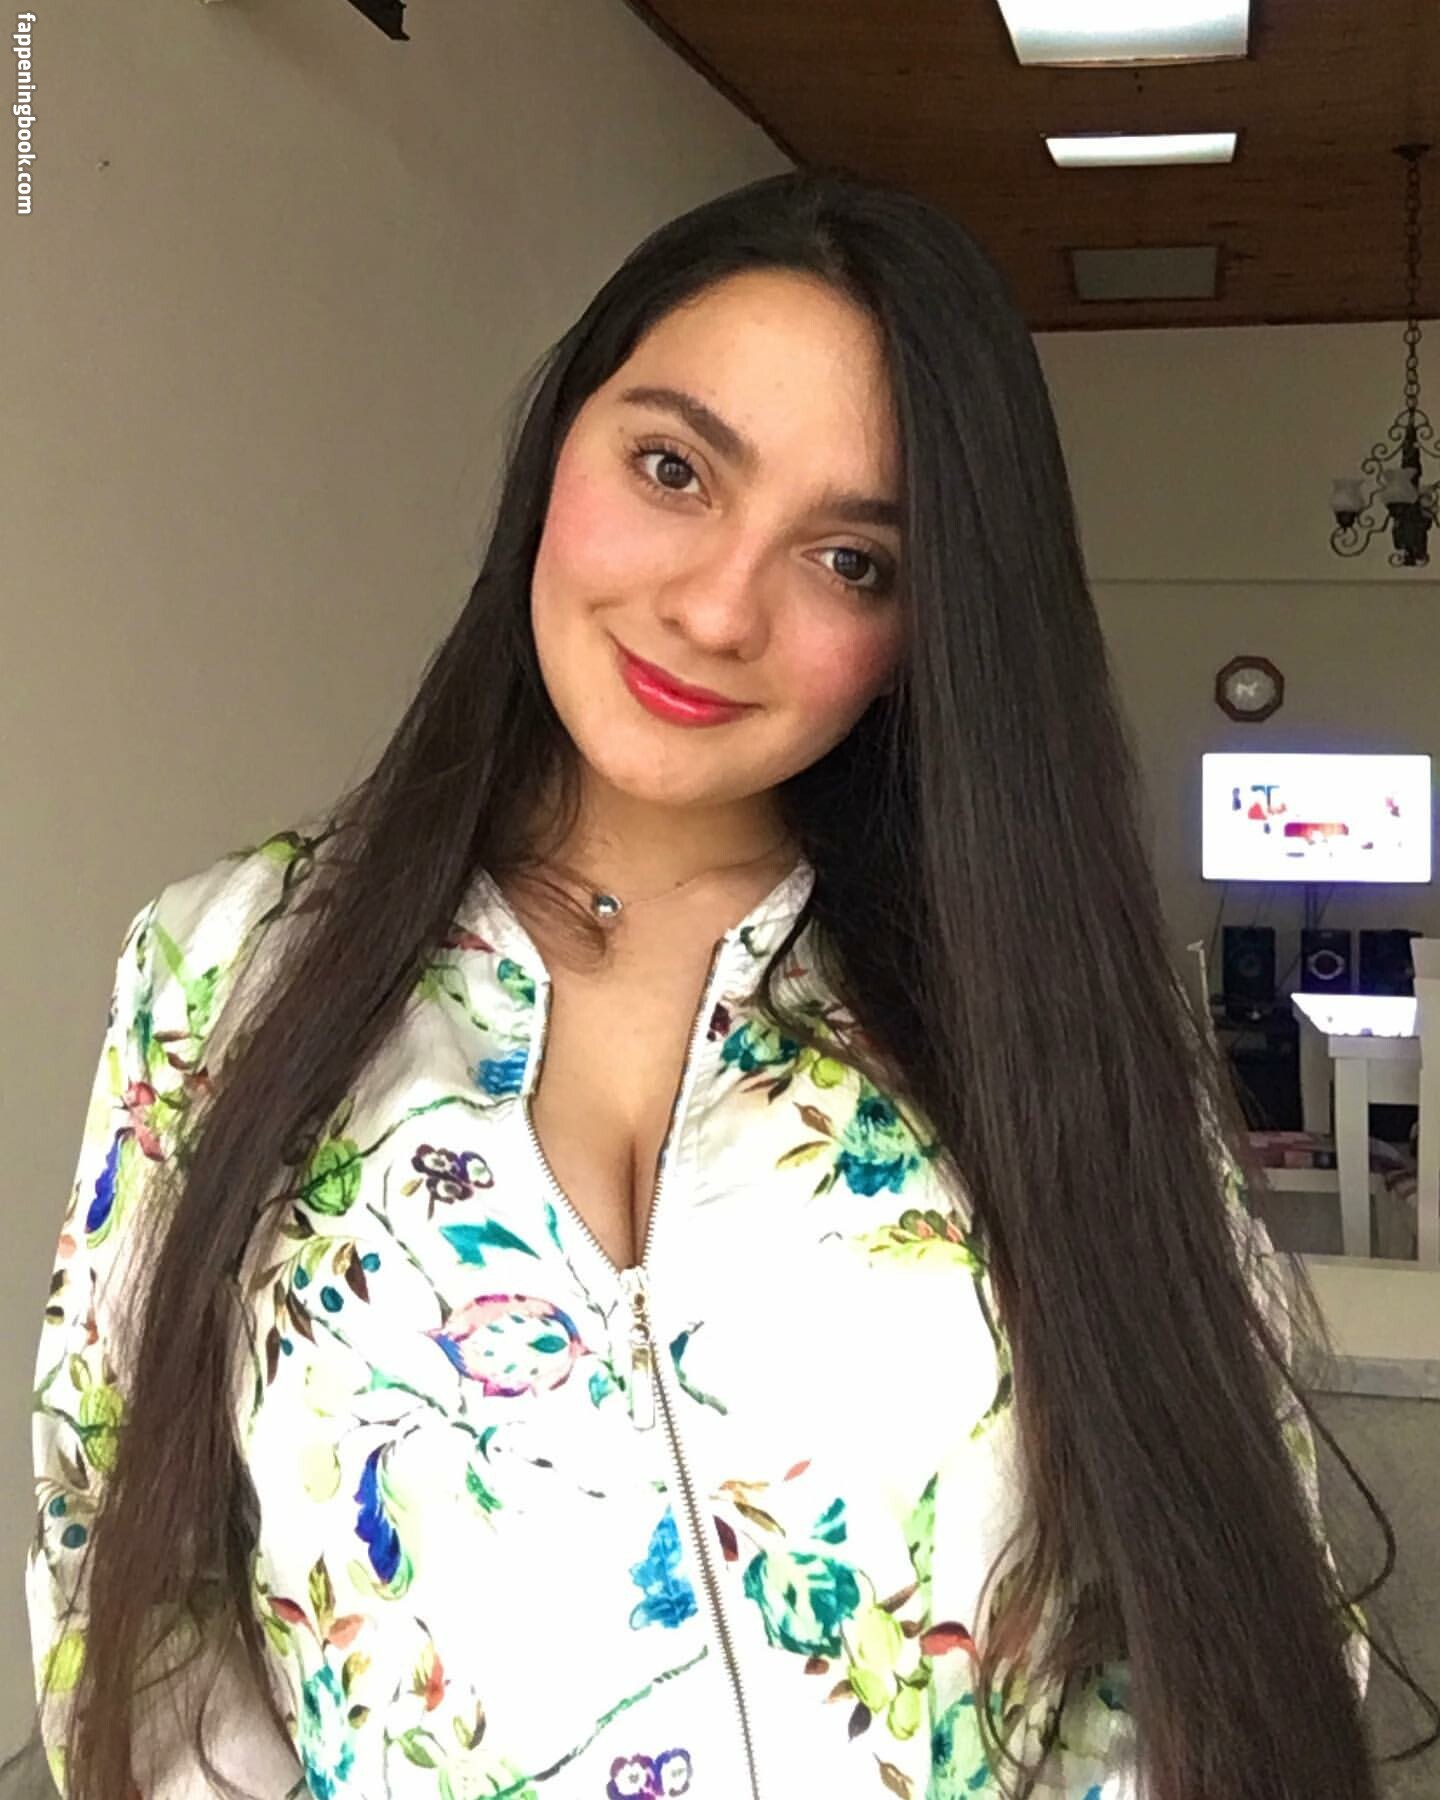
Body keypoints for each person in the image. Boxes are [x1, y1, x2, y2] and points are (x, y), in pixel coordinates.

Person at [25, 168, 1430, 1800]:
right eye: (675, 468)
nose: (715, 608)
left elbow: (1219, 1609)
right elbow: (127, 1577)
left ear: (925, 630)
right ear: (561, 443)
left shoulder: (1039, 1004)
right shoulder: (225, 968)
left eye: (850, 560)